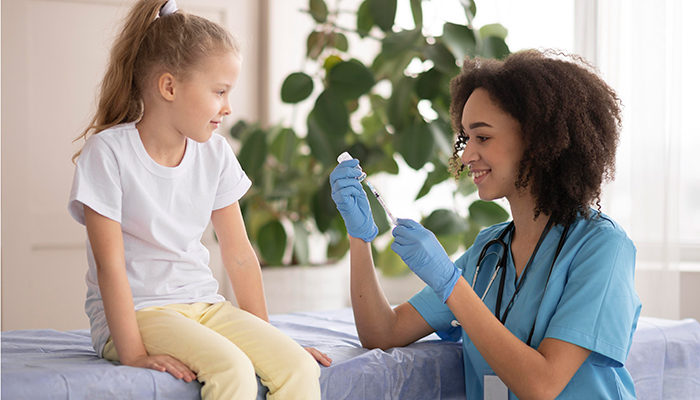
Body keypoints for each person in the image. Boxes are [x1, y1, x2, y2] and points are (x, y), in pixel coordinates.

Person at [330, 49, 641, 400]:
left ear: (537, 141)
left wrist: (451, 285)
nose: (465, 155)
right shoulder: (488, 252)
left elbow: (542, 385)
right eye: (466, 137)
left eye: (483, 137)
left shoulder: (602, 247)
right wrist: (359, 238)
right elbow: (381, 333)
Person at [68, 1, 329, 399]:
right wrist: (133, 352)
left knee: (297, 367)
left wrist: (268, 341)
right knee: (233, 370)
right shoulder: (108, 153)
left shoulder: (215, 154)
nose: (228, 107)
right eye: (220, 91)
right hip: (139, 315)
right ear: (169, 87)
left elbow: (240, 254)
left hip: (204, 306)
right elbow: (110, 266)